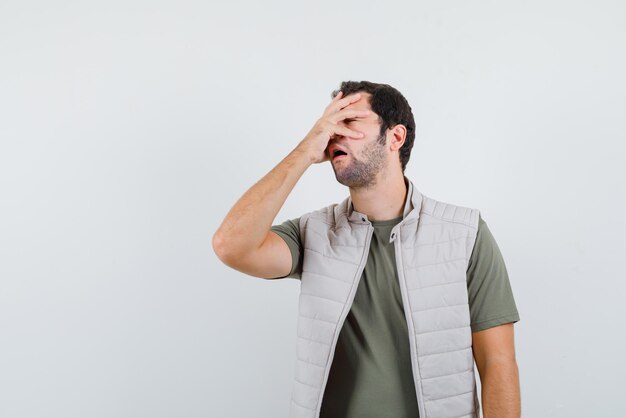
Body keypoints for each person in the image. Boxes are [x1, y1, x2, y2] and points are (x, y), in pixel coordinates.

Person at [212, 80, 521, 418]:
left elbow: (497, 363)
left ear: (395, 137)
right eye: (329, 125)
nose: (333, 135)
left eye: (350, 122)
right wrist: (304, 150)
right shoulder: (313, 233)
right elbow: (231, 246)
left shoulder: (464, 233)